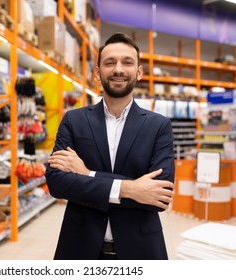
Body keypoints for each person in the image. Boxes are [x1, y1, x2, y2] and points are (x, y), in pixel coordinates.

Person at [45, 32, 175, 260]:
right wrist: (131, 189)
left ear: (139, 72)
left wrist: (87, 174)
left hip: (141, 250)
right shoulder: (74, 120)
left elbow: (159, 196)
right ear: (97, 73)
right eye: (109, 62)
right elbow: (57, 183)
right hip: (79, 247)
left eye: (127, 62)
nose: (118, 69)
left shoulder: (159, 126)